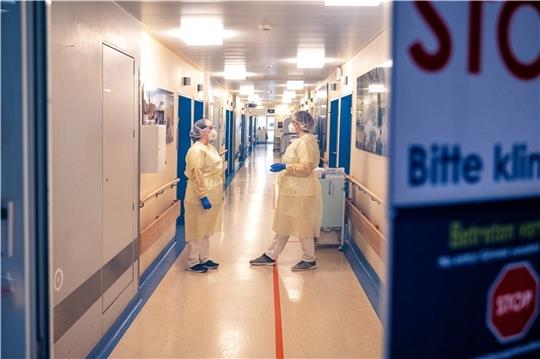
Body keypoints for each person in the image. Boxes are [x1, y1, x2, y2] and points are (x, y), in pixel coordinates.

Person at [250, 111, 322, 271]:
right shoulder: (302, 140)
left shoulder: (305, 142)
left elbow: (307, 167)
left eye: (295, 122)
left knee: (303, 225)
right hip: (294, 189)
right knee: (285, 223)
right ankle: (270, 255)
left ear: (300, 124)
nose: (292, 125)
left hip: (301, 190)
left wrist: (286, 166)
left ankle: (309, 259)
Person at [184, 119, 224, 273]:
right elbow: (196, 174)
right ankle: (193, 262)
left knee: (206, 229)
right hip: (199, 196)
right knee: (196, 229)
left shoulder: (210, 148)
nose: (213, 130)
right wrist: (202, 196)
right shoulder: (196, 150)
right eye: (210, 128)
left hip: (212, 192)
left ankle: (204, 258)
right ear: (201, 131)